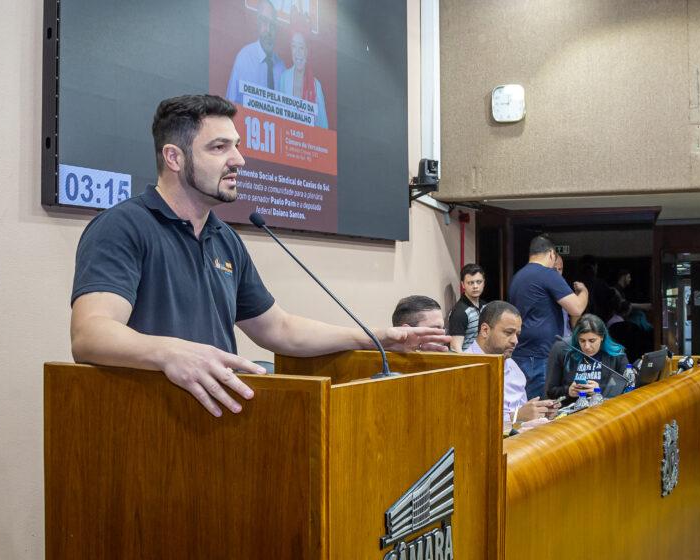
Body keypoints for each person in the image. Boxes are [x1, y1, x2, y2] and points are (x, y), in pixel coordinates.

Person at [70, 94, 449, 418]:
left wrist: (376, 338)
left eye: (236, 146)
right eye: (219, 147)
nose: (239, 160)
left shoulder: (225, 238)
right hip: (147, 428)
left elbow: (279, 329)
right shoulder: (123, 226)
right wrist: (171, 353)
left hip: (215, 426)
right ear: (174, 157)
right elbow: (90, 334)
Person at [509, 237, 588, 400]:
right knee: (542, 407)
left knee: (525, 404)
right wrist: (584, 291)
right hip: (541, 354)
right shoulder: (547, 274)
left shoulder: (518, 277)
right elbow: (576, 308)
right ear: (551, 254)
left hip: (521, 351)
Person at [463, 301, 559, 423]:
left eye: (517, 334)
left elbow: (523, 414)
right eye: (508, 333)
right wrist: (515, 417)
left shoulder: (513, 366)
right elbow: (467, 423)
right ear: (485, 330)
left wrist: (539, 414)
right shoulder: (463, 368)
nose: (515, 341)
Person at [545, 314, 629, 402]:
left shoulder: (617, 355)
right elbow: (550, 392)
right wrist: (568, 391)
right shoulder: (564, 352)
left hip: (605, 409)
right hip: (572, 410)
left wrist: (599, 389)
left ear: (602, 337)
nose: (587, 346)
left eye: (592, 341)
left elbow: (627, 386)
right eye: (582, 341)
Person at [226, 0, 285, 103]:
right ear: (257, 23)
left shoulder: (281, 68)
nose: (269, 30)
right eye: (264, 22)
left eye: (273, 25)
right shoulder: (244, 58)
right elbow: (230, 104)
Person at [279, 28, 328, 129]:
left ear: (307, 51)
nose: (297, 53)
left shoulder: (316, 85)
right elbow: (277, 117)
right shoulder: (284, 78)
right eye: (294, 47)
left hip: (308, 143)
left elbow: (323, 127)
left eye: (301, 47)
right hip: (286, 140)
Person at [448, 263, 488, 353]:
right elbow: (455, 348)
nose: (475, 286)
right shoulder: (459, 312)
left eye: (479, 282)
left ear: (484, 283)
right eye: (470, 283)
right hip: (469, 362)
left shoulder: (485, 306)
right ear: (463, 285)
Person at [553, 254, 574, 338]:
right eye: (554, 269)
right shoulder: (540, 288)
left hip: (565, 339)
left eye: (560, 269)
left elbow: (575, 312)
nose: (557, 272)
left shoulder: (564, 286)